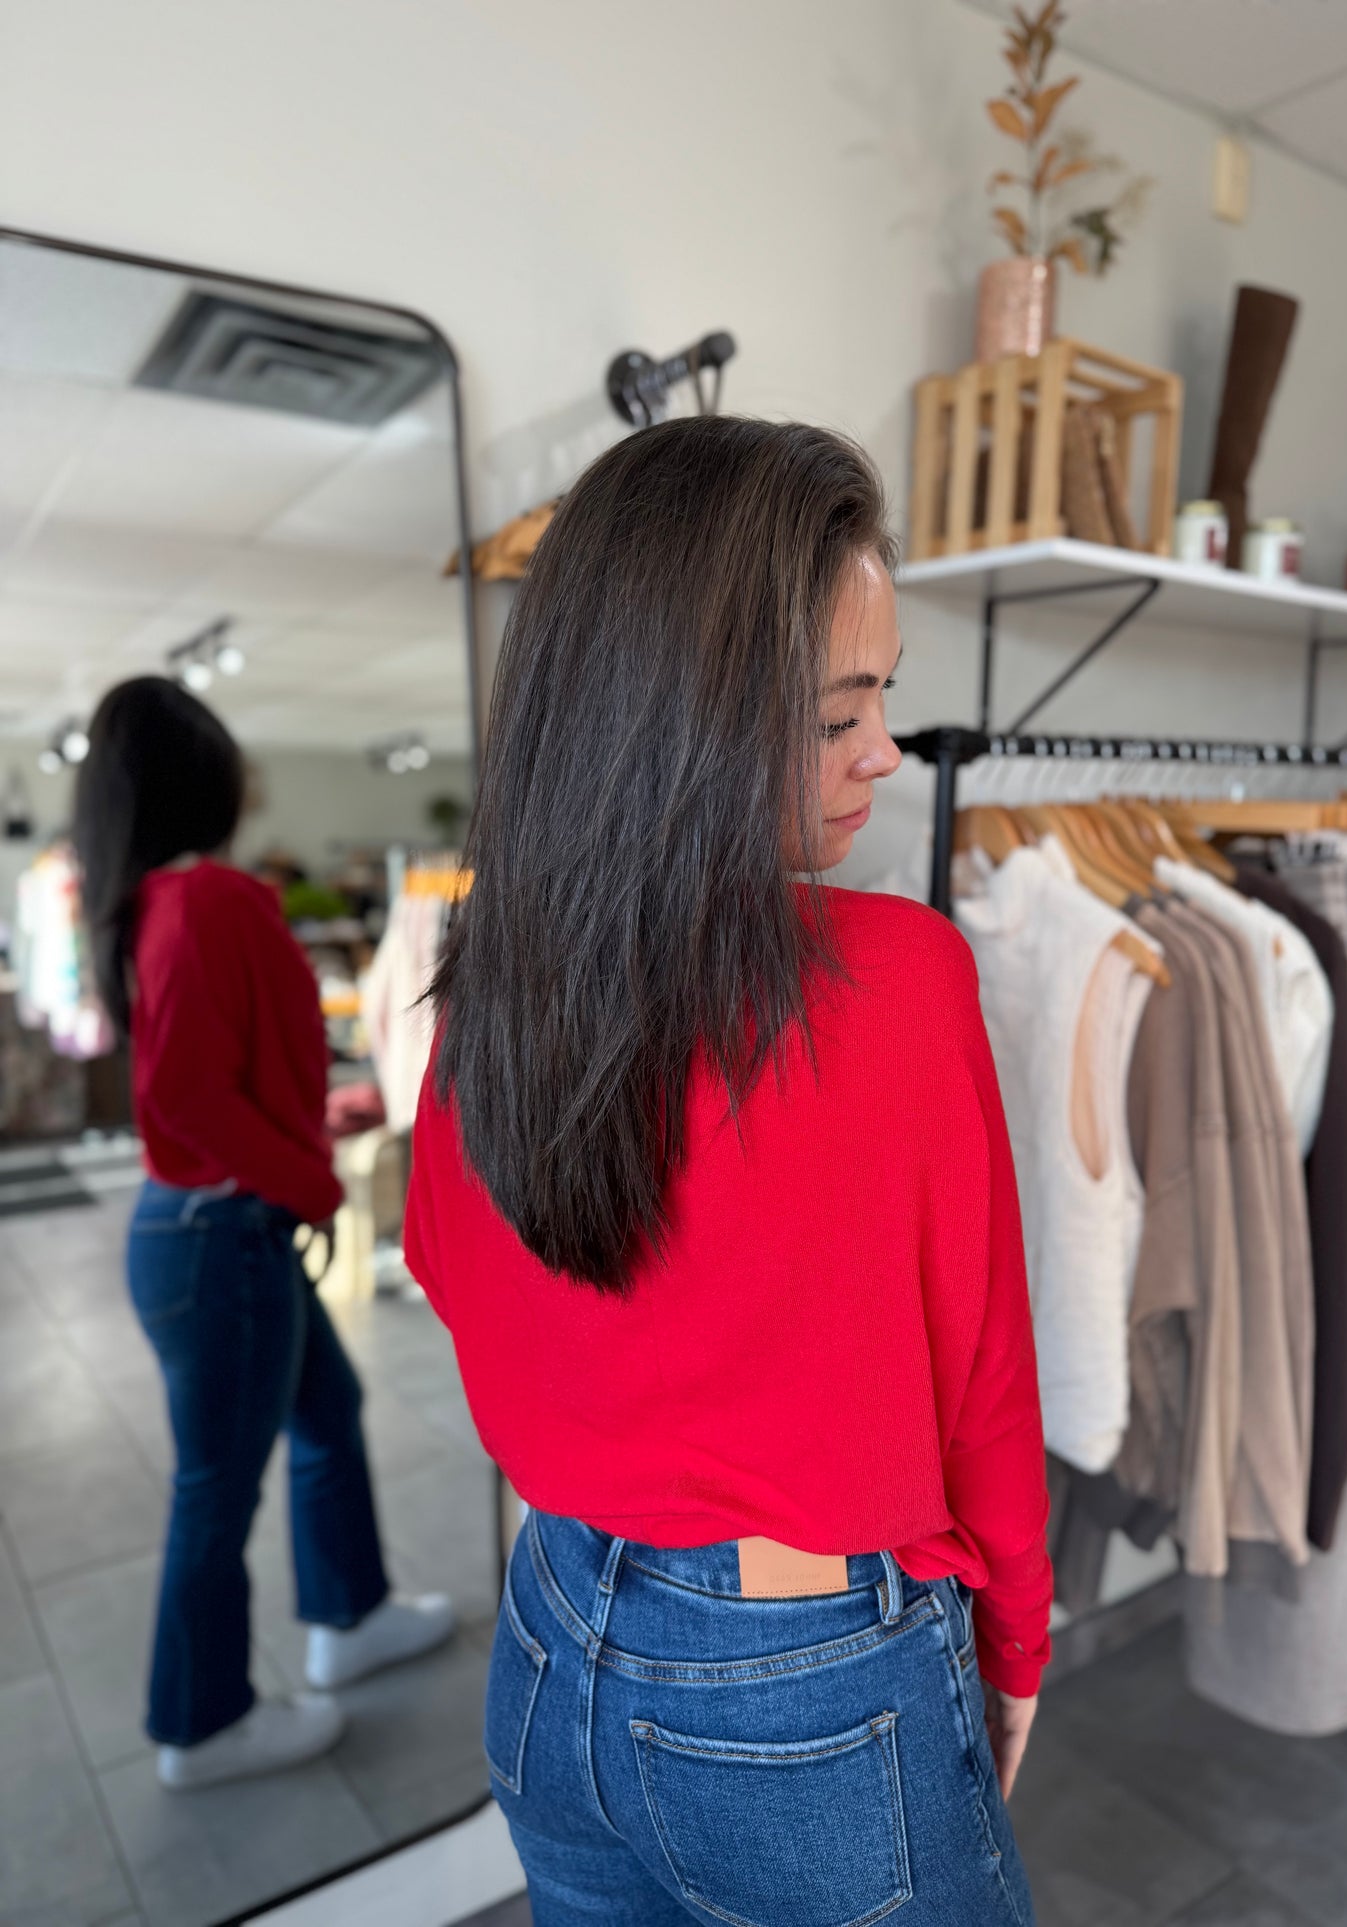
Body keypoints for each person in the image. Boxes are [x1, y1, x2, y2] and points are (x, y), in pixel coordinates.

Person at [406, 418, 1051, 1923]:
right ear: (682, 718)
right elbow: (983, 1372)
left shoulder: (492, 978)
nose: (883, 748)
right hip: (803, 1683)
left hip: (552, 1629)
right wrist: (1014, 1636)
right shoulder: (895, 979)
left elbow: (453, 1272)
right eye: (840, 714)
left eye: (880, 698)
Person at [74, 678, 455, 1792]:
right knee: (217, 1484)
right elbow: (189, 1095)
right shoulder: (212, 899)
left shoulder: (156, 903)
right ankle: (199, 1722)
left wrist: (307, 1127)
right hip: (223, 1234)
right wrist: (310, 1181)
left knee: (326, 1413)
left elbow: (205, 1080)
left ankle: (349, 1611)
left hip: (203, 1226)